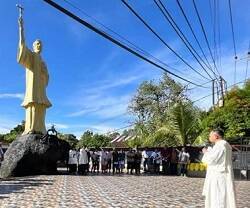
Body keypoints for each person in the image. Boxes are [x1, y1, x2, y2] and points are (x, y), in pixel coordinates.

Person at [17, 15, 51, 135]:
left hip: (40, 88)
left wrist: (44, 74)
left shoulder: (42, 61)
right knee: (32, 104)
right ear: (33, 46)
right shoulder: (31, 56)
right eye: (37, 44)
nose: (39, 45)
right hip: (32, 87)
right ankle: (30, 127)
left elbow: (47, 76)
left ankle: (41, 128)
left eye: (40, 44)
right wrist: (21, 29)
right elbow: (22, 49)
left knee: (41, 106)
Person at [202, 129, 236, 208]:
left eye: (210, 135)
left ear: (216, 136)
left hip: (218, 176)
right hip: (221, 174)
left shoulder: (220, 145)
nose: (209, 137)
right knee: (221, 196)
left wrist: (205, 152)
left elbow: (211, 159)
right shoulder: (225, 144)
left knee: (218, 197)